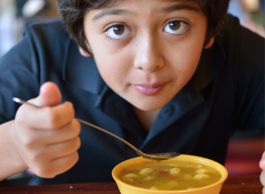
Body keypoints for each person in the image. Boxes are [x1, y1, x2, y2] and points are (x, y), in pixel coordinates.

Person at [0, 0, 264, 189]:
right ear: (84, 39)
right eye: (117, 29)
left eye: (175, 25)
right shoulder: (39, 56)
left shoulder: (238, 51)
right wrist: (13, 145)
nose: (148, 61)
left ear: (209, 32)